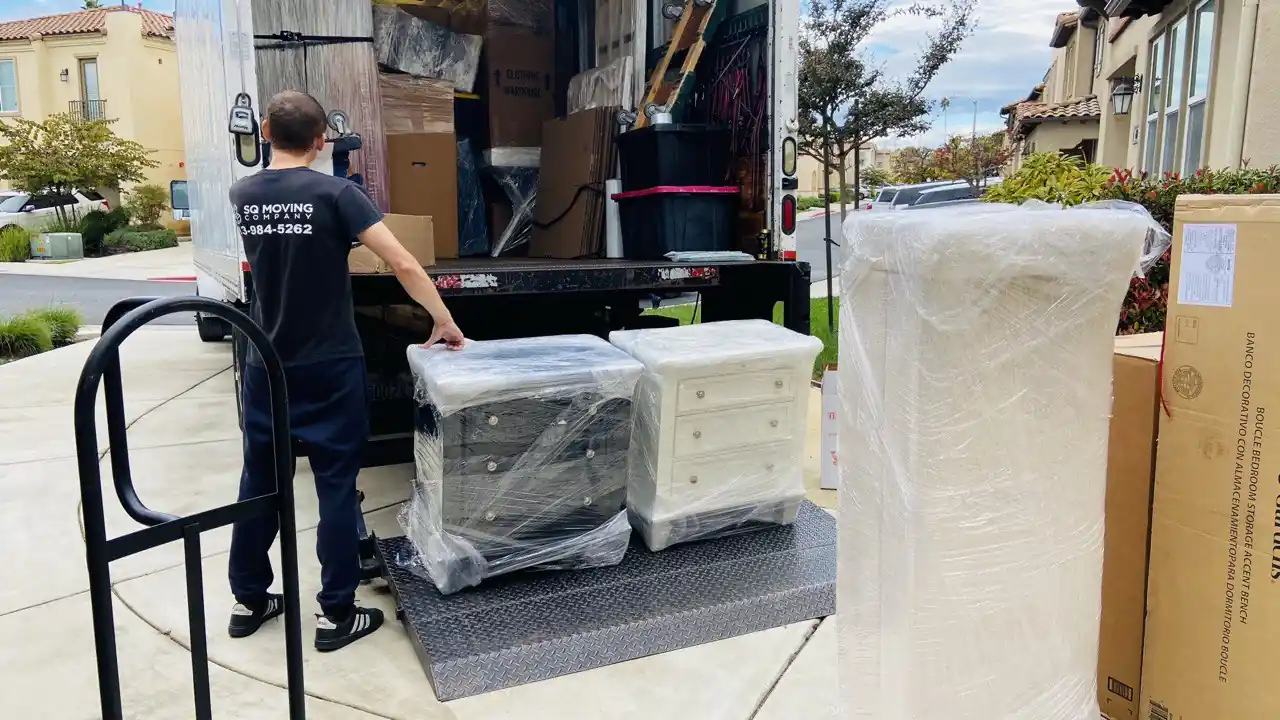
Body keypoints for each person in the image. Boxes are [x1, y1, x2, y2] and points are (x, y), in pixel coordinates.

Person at [225, 90, 464, 652]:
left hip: (266, 364)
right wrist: (444, 319)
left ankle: (249, 600)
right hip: (329, 362)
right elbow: (401, 260)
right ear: (321, 141)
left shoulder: (243, 193)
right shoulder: (338, 194)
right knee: (335, 486)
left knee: (259, 482)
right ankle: (335, 615)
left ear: (262, 130)